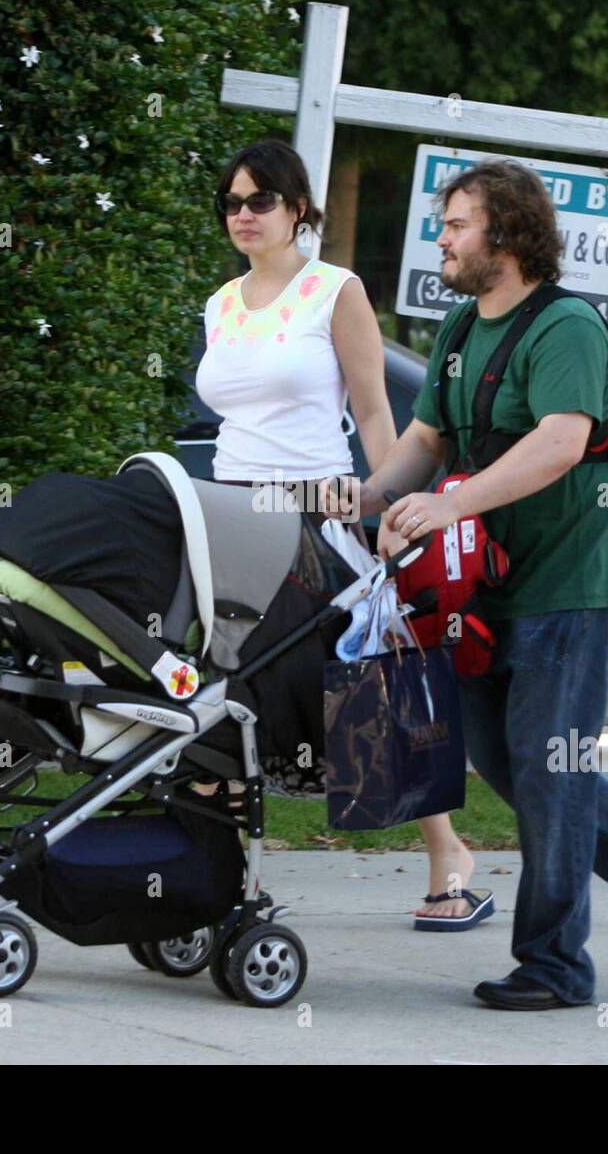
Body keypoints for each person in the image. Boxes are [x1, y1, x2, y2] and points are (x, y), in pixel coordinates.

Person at [320, 159, 608, 1008]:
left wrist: (451, 504)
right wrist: (369, 501)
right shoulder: (464, 328)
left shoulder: (566, 326)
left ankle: (556, 965)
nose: (443, 238)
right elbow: (425, 439)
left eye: (456, 224)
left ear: (506, 232)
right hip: (491, 589)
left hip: (570, 582)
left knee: (550, 766)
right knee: (512, 763)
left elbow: (562, 442)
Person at [196, 138, 494, 930]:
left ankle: (447, 852)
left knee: (365, 688)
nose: (243, 215)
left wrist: (382, 505)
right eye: (232, 202)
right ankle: (218, 873)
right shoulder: (220, 305)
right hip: (230, 514)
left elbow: (373, 414)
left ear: (299, 208)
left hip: (317, 512)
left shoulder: (336, 291)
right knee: (225, 691)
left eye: (260, 200)